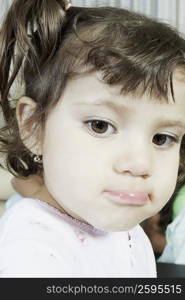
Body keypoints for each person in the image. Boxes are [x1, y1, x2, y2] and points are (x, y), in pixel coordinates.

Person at [1, 0, 185, 278]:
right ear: (33, 126)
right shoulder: (33, 248)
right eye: (100, 126)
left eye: (162, 138)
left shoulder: (128, 233)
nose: (139, 163)